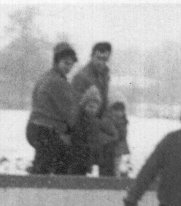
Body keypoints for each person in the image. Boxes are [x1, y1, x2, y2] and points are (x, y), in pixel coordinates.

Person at [27, 42, 79, 175]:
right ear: (57, 61)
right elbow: (69, 112)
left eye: (71, 64)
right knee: (59, 165)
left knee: (42, 165)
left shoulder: (44, 77)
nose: (69, 67)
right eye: (65, 63)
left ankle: (36, 185)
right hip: (48, 130)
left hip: (34, 127)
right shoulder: (58, 82)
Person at [71, 42, 112, 171]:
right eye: (98, 58)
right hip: (83, 127)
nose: (101, 62)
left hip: (97, 125)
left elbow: (104, 102)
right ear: (92, 56)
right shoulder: (82, 77)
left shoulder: (104, 76)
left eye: (105, 59)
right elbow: (77, 106)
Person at [70, 85, 118, 175]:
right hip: (83, 152)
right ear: (84, 106)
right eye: (90, 106)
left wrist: (103, 140)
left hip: (95, 151)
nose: (92, 110)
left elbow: (113, 134)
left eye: (95, 107)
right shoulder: (79, 120)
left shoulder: (100, 121)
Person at [101, 99, 130, 177]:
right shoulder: (107, 120)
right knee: (109, 168)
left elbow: (123, 136)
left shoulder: (123, 122)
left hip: (119, 150)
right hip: (109, 149)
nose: (118, 113)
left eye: (121, 111)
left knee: (118, 169)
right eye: (116, 110)